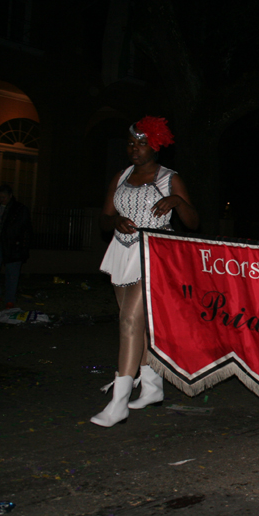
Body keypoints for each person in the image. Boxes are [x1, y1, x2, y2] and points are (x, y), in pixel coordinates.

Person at [93, 116, 199, 428]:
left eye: (141, 144)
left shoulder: (169, 178)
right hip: (121, 252)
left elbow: (193, 223)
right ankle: (152, 386)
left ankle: (119, 402)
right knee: (136, 327)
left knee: (128, 321)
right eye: (131, 143)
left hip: (152, 255)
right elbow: (103, 218)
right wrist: (115, 222)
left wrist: (178, 201)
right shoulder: (122, 176)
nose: (134, 149)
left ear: (156, 145)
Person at [0, 184, 32, 308]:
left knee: (12, 273)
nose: (1, 199)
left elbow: (25, 229)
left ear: (10, 196)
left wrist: (22, 246)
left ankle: (10, 299)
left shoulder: (19, 209)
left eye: (4, 197)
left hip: (13, 245)